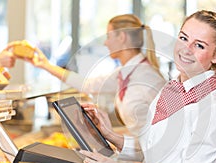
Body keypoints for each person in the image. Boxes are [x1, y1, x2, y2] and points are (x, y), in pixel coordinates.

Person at [80, 10, 216, 163]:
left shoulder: (213, 107)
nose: (186, 49)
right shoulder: (171, 89)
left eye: (199, 45)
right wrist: (110, 135)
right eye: (183, 38)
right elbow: (154, 149)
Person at [25, 14, 166, 135]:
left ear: (122, 37)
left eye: (108, 36)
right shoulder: (126, 73)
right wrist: (45, 65)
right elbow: (88, 85)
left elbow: (160, 131)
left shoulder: (147, 77)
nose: (106, 43)